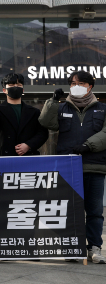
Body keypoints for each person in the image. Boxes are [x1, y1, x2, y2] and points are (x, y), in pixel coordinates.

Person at [39, 70, 106, 264]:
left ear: (89, 86)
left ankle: (95, 248)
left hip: (94, 166)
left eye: (79, 83)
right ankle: (72, 247)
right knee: (69, 210)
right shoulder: (61, 108)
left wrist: (88, 146)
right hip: (68, 167)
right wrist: (52, 101)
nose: (74, 86)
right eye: (72, 83)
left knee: (94, 211)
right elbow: (46, 123)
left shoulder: (102, 108)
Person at [0, 73, 48, 156]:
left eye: (19, 85)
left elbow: (43, 133)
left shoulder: (34, 112)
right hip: (4, 157)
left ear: (23, 90)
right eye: (11, 85)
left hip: (28, 157)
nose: (15, 87)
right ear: (4, 90)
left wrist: (28, 145)